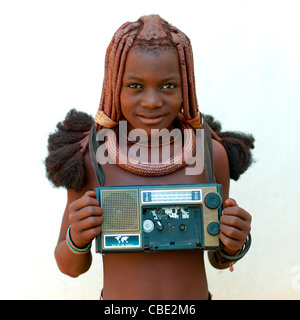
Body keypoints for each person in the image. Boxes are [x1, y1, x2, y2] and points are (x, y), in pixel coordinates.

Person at [45, 15, 254, 300]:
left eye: (168, 86)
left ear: (187, 87)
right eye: (135, 86)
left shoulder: (210, 154)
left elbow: (218, 260)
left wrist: (233, 242)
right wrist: (77, 238)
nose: (152, 101)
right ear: (113, 86)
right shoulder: (92, 156)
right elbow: (69, 266)